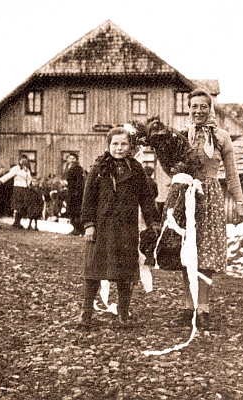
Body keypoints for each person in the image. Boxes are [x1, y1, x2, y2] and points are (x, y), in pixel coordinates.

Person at [141, 89, 243, 330]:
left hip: (209, 199)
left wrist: (239, 203)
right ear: (189, 109)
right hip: (183, 198)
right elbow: (170, 168)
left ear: (211, 109)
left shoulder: (221, 137)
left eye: (203, 106)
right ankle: (188, 308)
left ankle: (204, 309)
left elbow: (231, 173)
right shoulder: (181, 135)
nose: (198, 111)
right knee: (186, 254)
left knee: (206, 255)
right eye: (194, 106)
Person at [80, 127, 160, 331]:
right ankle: (86, 314)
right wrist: (89, 225)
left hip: (126, 229)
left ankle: (123, 314)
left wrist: (153, 221)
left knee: (125, 272)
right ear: (108, 145)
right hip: (102, 228)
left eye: (123, 144)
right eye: (115, 144)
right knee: (94, 271)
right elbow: (88, 199)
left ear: (131, 146)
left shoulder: (136, 170)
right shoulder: (99, 168)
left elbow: (146, 198)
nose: (119, 148)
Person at [0, 154, 32, 229]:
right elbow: (9, 175)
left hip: (25, 188)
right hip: (18, 188)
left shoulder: (27, 169)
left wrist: (29, 184)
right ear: (19, 161)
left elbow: (29, 178)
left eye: (25, 160)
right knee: (19, 206)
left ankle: (17, 221)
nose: (24, 162)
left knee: (23, 206)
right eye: (22, 160)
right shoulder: (16, 168)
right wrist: (1, 180)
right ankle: (16, 222)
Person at [63, 153, 85, 235]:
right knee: (71, 210)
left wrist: (76, 191)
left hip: (76, 192)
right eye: (70, 158)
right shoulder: (68, 168)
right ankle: (75, 228)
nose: (71, 160)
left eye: (73, 158)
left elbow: (79, 181)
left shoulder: (77, 168)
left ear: (76, 160)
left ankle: (78, 229)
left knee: (76, 210)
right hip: (71, 191)